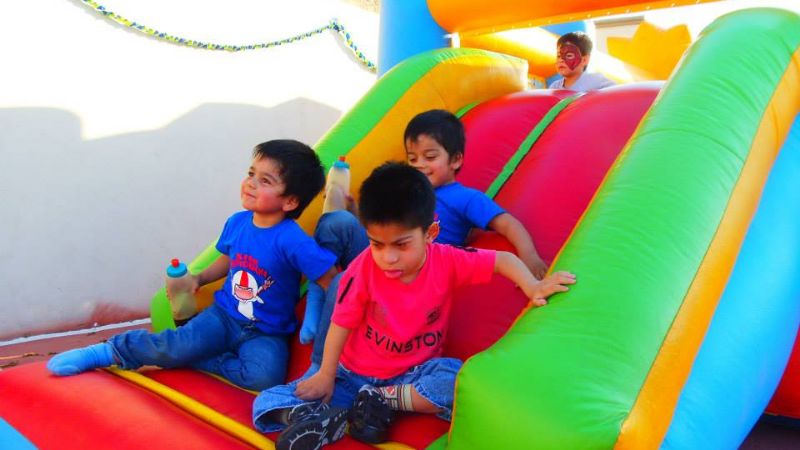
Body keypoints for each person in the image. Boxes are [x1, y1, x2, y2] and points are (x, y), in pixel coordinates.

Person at [252, 162, 576, 450]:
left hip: (412, 375)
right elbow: (341, 321)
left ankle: (381, 402)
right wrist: (325, 373)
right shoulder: (363, 270)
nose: (388, 258)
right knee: (265, 402)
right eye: (377, 244)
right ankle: (304, 415)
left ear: (430, 233)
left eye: (401, 245)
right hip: (353, 376)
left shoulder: (448, 261)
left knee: (459, 379)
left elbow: (502, 260)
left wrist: (533, 285)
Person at [46, 140, 338, 391]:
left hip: (267, 331)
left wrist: (332, 314)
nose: (250, 183)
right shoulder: (238, 223)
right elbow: (228, 259)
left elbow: (330, 278)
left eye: (265, 181)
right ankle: (110, 351)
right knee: (176, 344)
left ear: (289, 201)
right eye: (251, 173)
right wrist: (199, 278)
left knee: (263, 378)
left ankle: (195, 357)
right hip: (224, 316)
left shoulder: (293, 241)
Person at [405, 109, 548, 279]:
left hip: (427, 274)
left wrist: (529, 256)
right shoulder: (409, 192)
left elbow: (509, 224)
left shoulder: (465, 198)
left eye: (430, 157)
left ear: (456, 160)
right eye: (412, 159)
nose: (419, 165)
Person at [548, 31, 615, 91]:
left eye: (569, 56)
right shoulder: (555, 87)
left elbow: (616, 95)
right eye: (559, 56)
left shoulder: (597, 81)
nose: (561, 60)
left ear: (584, 60)